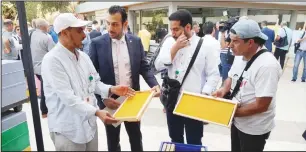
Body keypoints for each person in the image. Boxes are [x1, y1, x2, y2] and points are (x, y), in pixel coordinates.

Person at [41, 13, 135, 151]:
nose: (84, 36)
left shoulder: (83, 57)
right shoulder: (52, 60)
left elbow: (95, 82)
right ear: (65, 33)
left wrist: (112, 89)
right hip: (68, 131)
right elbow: (69, 98)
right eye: (79, 31)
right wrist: (97, 112)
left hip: (89, 126)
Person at [89, 5, 160, 152]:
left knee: (135, 138)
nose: (110, 28)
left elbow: (143, 67)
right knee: (113, 142)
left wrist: (155, 84)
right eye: (107, 23)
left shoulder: (136, 42)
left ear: (125, 24)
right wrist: (102, 99)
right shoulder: (97, 44)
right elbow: (91, 77)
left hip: (132, 98)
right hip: (110, 101)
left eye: (115, 24)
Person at [212, 19, 282, 152]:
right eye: (230, 40)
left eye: (235, 41)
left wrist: (228, 112)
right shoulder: (240, 54)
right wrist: (223, 90)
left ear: (250, 42)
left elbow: (262, 105)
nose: (230, 45)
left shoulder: (267, 65)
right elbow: (232, 77)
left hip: (254, 129)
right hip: (238, 120)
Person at [154, 9, 220, 145]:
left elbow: (213, 74)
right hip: (173, 100)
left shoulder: (205, 45)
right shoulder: (169, 42)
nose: (172, 33)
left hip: (194, 101)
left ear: (188, 27)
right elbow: (158, 65)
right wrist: (175, 49)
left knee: (194, 140)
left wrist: (204, 94)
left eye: (176, 29)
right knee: (175, 138)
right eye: (171, 29)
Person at [30, 18, 56, 118]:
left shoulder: (32, 34)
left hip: (35, 67)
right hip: (44, 67)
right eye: (48, 25)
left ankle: (45, 110)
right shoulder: (47, 37)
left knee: (44, 88)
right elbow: (54, 53)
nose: (49, 27)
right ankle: (45, 111)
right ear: (43, 26)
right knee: (46, 89)